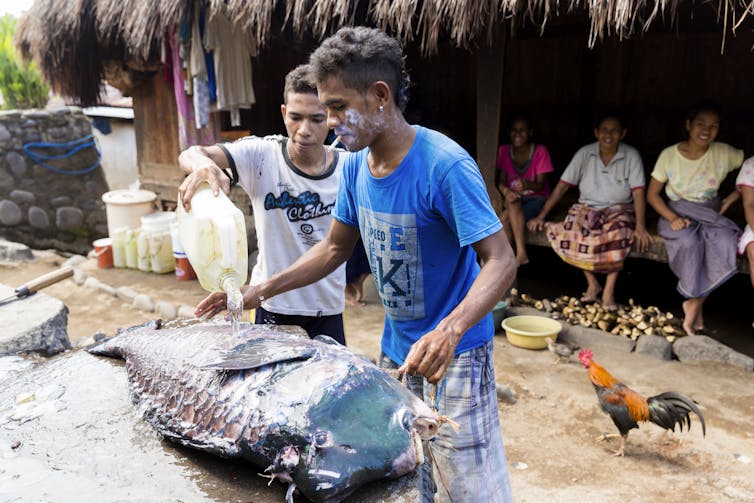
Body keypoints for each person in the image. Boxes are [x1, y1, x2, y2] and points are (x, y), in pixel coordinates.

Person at [196, 27, 517, 502]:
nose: (330, 122)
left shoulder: (443, 165)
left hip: (459, 352)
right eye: (327, 109)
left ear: (380, 97)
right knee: (408, 474)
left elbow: (501, 260)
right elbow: (332, 250)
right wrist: (254, 292)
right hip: (398, 347)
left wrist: (450, 331)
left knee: (467, 481)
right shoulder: (355, 167)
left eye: (339, 108)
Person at [177, 64, 348, 345]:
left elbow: (335, 248)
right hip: (272, 306)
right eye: (295, 117)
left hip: (327, 307)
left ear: (330, 117)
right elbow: (192, 152)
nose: (304, 130)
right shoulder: (262, 156)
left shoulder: (347, 168)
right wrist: (203, 166)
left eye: (316, 119)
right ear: (283, 113)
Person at [528, 114, 651, 310]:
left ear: (623, 134)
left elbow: (638, 192)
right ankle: (592, 284)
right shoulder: (585, 153)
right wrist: (541, 216)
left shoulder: (631, 155)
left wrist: (641, 226)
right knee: (571, 231)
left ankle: (609, 291)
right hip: (587, 206)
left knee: (618, 234)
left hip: (619, 208)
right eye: (604, 130)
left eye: (614, 131)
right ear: (596, 133)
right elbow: (562, 187)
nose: (608, 135)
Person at [647, 101, 744, 336]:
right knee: (690, 244)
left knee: (726, 242)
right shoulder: (669, 155)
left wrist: (732, 198)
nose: (706, 131)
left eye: (713, 126)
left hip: (710, 213)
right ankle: (696, 313)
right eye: (701, 124)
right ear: (689, 125)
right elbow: (652, 195)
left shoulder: (725, 152)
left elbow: (751, 168)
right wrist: (672, 218)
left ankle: (693, 304)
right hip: (677, 213)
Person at [495, 115, 554, 266]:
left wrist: (528, 185)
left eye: (522, 130)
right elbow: (501, 181)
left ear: (530, 132)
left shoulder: (540, 151)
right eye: (514, 130)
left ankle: (508, 261)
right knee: (509, 205)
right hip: (514, 199)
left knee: (505, 219)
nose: (518, 134)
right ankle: (517, 257)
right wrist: (506, 191)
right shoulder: (504, 151)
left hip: (537, 199)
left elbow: (541, 185)